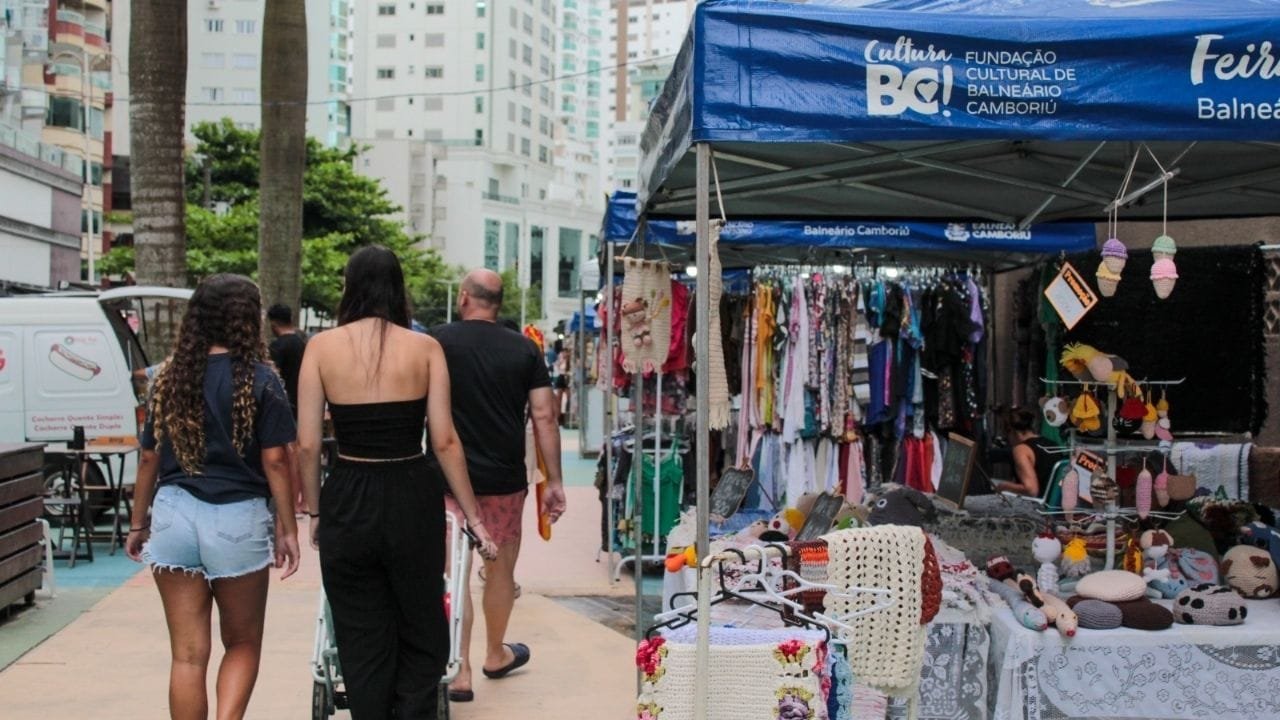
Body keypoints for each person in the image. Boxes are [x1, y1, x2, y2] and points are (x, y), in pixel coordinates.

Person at [295, 245, 497, 719]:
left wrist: (317, 511)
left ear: (349, 287)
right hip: (411, 490)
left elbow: (305, 444)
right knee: (420, 621)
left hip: (348, 489)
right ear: (399, 289)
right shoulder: (426, 348)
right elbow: (445, 441)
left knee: (360, 632)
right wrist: (473, 517)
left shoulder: (321, 348)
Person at [124, 274, 301, 720]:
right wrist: (288, 529)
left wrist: (137, 523)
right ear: (247, 319)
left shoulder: (168, 379)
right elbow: (277, 460)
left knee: (187, 655)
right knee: (241, 642)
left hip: (173, 514)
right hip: (237, 521)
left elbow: (148, 458)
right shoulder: (261, 380)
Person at [429, 269, 566, 703]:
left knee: (455, 573)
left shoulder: (436, 343)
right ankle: (494, 653)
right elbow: (544, 417)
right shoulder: (525, 349)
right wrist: (555, 481)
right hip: (506, 480)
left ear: (465, 297)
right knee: (501, 572)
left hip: (447, 479)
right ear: (499, 303)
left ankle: (461, 671)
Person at [267, 303, 309, 513]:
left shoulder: (278, 347)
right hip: (306, 404)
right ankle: (305, 501)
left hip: (286, 406)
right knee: (303, 454)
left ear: (273, 323)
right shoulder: (304, 342)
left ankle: (291, 502)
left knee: (288, 456)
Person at [994, 406, 1058, 498]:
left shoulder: (1021, 450)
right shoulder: (1052, 444)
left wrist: (1003, 486)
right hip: (1055, 504)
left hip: (1036, 506)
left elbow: (1031, 490)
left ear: (1011, 431)